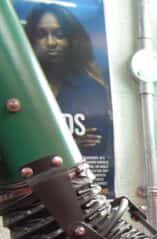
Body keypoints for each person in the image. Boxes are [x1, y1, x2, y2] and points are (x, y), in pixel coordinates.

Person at [23, 3, 110, 151]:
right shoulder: (19, 88)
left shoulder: (92, 90)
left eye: (59, 35)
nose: (50, 43)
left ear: (71, 41)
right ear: (31, 40)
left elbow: (97, 147)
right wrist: (72, 144)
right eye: (41, 35)